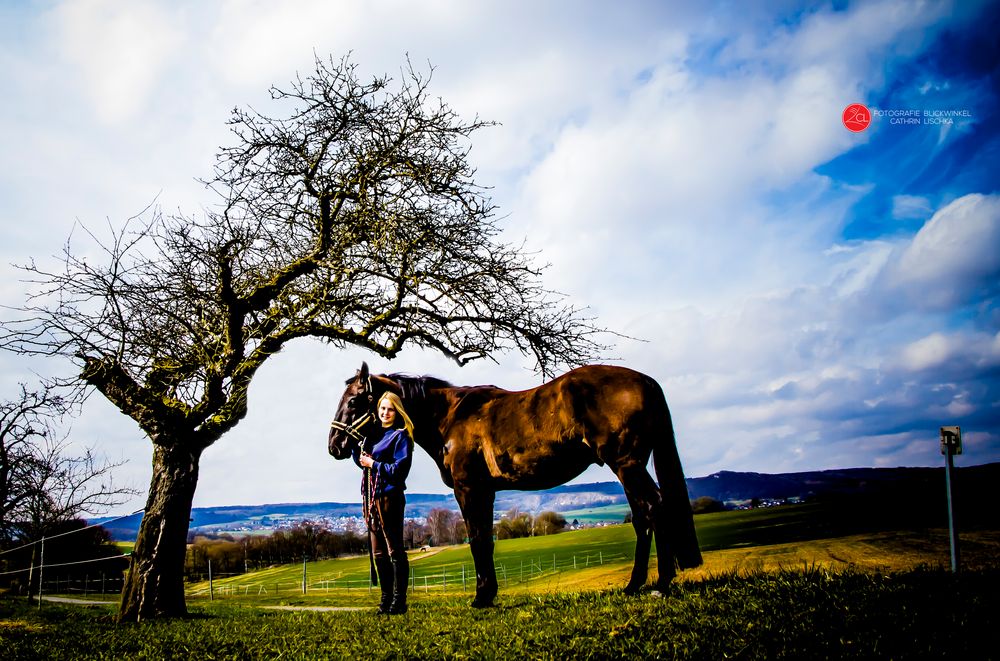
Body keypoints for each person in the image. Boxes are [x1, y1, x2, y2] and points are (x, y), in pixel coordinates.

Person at [353, 391, 414, 615]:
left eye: (390, 409)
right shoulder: (374, 434)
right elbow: (363, 461)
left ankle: (399, 601)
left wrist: (373, 463)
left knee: (394, 550)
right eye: (382, 408)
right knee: (378, 552)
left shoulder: (401, 436)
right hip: (372, 497)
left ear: (396, 412)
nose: (385, 413)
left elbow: (399, 471)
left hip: (390, 497)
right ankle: (385, 599)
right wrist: (356, 448)